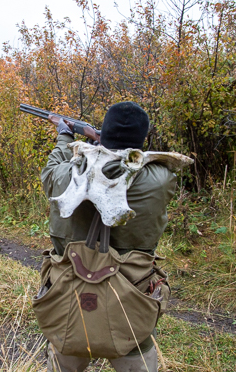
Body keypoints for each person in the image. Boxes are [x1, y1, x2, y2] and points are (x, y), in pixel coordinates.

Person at [40, 101, 178, 372]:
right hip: (131, 305)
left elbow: (51, 169)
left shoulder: (65, 174)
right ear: (142, 139)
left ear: (103, 131)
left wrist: (65, 135)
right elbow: (151, 165)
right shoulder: (162, 179)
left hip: (67, 302)